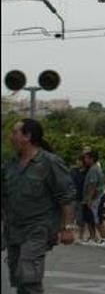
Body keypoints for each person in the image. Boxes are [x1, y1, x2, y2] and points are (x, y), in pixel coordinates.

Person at [2, 118, 76, 293]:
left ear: (27, 136)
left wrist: (67, 228)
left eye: (15, 132)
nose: (11, 136)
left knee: (29, 276)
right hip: (14, 230)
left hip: (38, 228)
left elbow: (67, 197)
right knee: (18, 277)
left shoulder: (49, 163)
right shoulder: (10, 165)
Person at [81, 150, 105, 246]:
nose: (85, 160)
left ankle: (104, 238)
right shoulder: (93, 168)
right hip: (93, 198)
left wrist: (89, 198)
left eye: (86, 158)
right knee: (90, 219)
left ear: (91, 159)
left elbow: (92, 185)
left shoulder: (94, 169)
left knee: (97, 218)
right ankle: (92, 237)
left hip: (95, 198)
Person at [69, 154, 88, 244]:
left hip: (82, 197)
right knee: (71, 217)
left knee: (81, 218)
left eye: (79, 161)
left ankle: (81, 236)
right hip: (72, 197)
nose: (78, 162)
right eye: (77, 160)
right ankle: (71, 236)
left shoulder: (87, 171)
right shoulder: (73, 171)